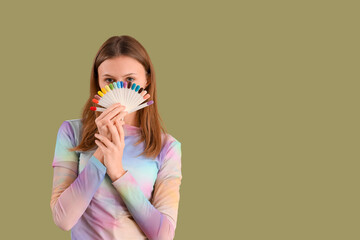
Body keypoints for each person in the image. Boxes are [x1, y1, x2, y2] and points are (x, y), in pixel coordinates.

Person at [50, 35, 182, 240]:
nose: (120, 89)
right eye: (110, 80)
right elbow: (63, 219)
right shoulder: (71, 132)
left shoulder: (167, 147)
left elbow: (163, 235)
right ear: (99, 83)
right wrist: (102, 151)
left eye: (130, 79)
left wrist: (118, 172)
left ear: (146, 80)